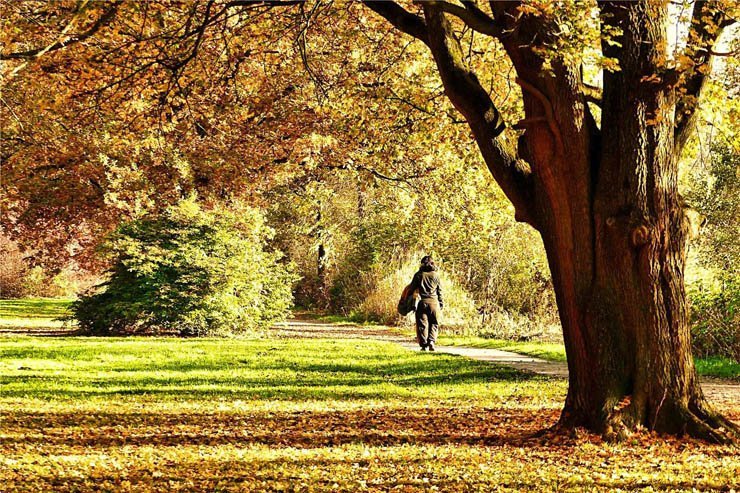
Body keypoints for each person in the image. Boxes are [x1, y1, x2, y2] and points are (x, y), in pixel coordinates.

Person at [409, 255, 443, 351]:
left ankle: (424, 345)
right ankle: (431, 341)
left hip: (422, 302)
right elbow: (440, 291)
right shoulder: (436, 275)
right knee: (434, 323)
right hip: (434, 303)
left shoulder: (418, 275)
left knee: (422, 324)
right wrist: (441, 303)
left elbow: (411, 289)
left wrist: (411, 304)